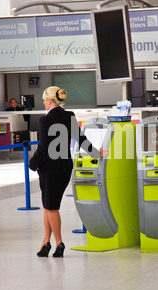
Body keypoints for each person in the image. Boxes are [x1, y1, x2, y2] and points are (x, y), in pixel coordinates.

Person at [29, 86, 104, 258]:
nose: (43, 103)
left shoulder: (44, 120)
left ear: (49, 101)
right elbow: (80, 138)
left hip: (49, 169)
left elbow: (43, 147)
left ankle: (59, 243)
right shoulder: (69, 116)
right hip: (64, 167)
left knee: (51, 207)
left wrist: (32, 164)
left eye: (44, 100)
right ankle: (45, 243)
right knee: (47, 206)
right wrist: (95, 153)